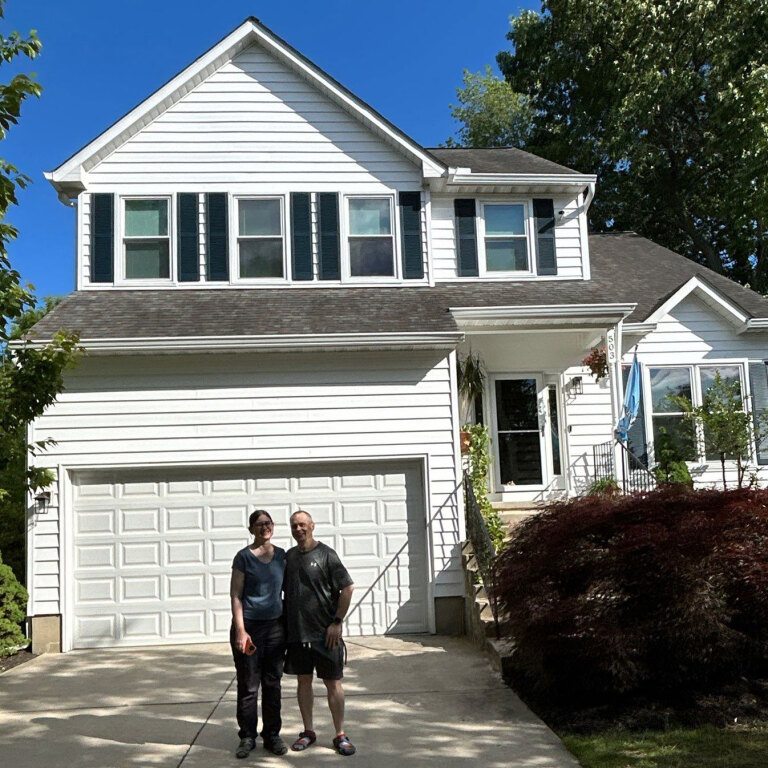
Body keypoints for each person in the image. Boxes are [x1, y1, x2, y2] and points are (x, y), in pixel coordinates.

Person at [284, 510, 356, 756]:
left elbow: (347, 588)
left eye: (302, 524)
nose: (298, 529)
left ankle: (340, 734)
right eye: (294, 525)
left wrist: (337, 621)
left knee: (332, 683)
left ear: (312, 526)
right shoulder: (289, 557)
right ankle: (308, 731)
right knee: (303, 681)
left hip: (326, 635)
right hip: (297, 634)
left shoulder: (327, 555)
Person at [230, 510, 287, 759]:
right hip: (249, 628)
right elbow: (236, 595)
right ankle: (247, 737)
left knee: (272, 684)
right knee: (249, 686)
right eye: (259, 524)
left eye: (268, 523)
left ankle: (272, 735)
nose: (265, 527)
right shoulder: (243, 557)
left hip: (275, 628)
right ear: (251, 528)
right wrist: (241, 631)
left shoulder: (282, 556)